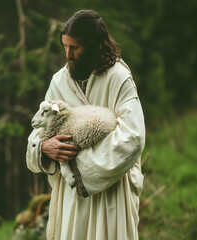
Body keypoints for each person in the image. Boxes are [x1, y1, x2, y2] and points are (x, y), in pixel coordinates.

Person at [26, 10, 146, 240]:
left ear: (94, 45)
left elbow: (133, 136)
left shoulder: (118, 77)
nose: (68, 54)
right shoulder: (59, 81)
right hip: (71, 199)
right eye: (65, 46)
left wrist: (79, 167)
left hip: (111, 193)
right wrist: (44, 148)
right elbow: (40, 129)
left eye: (75, 47)